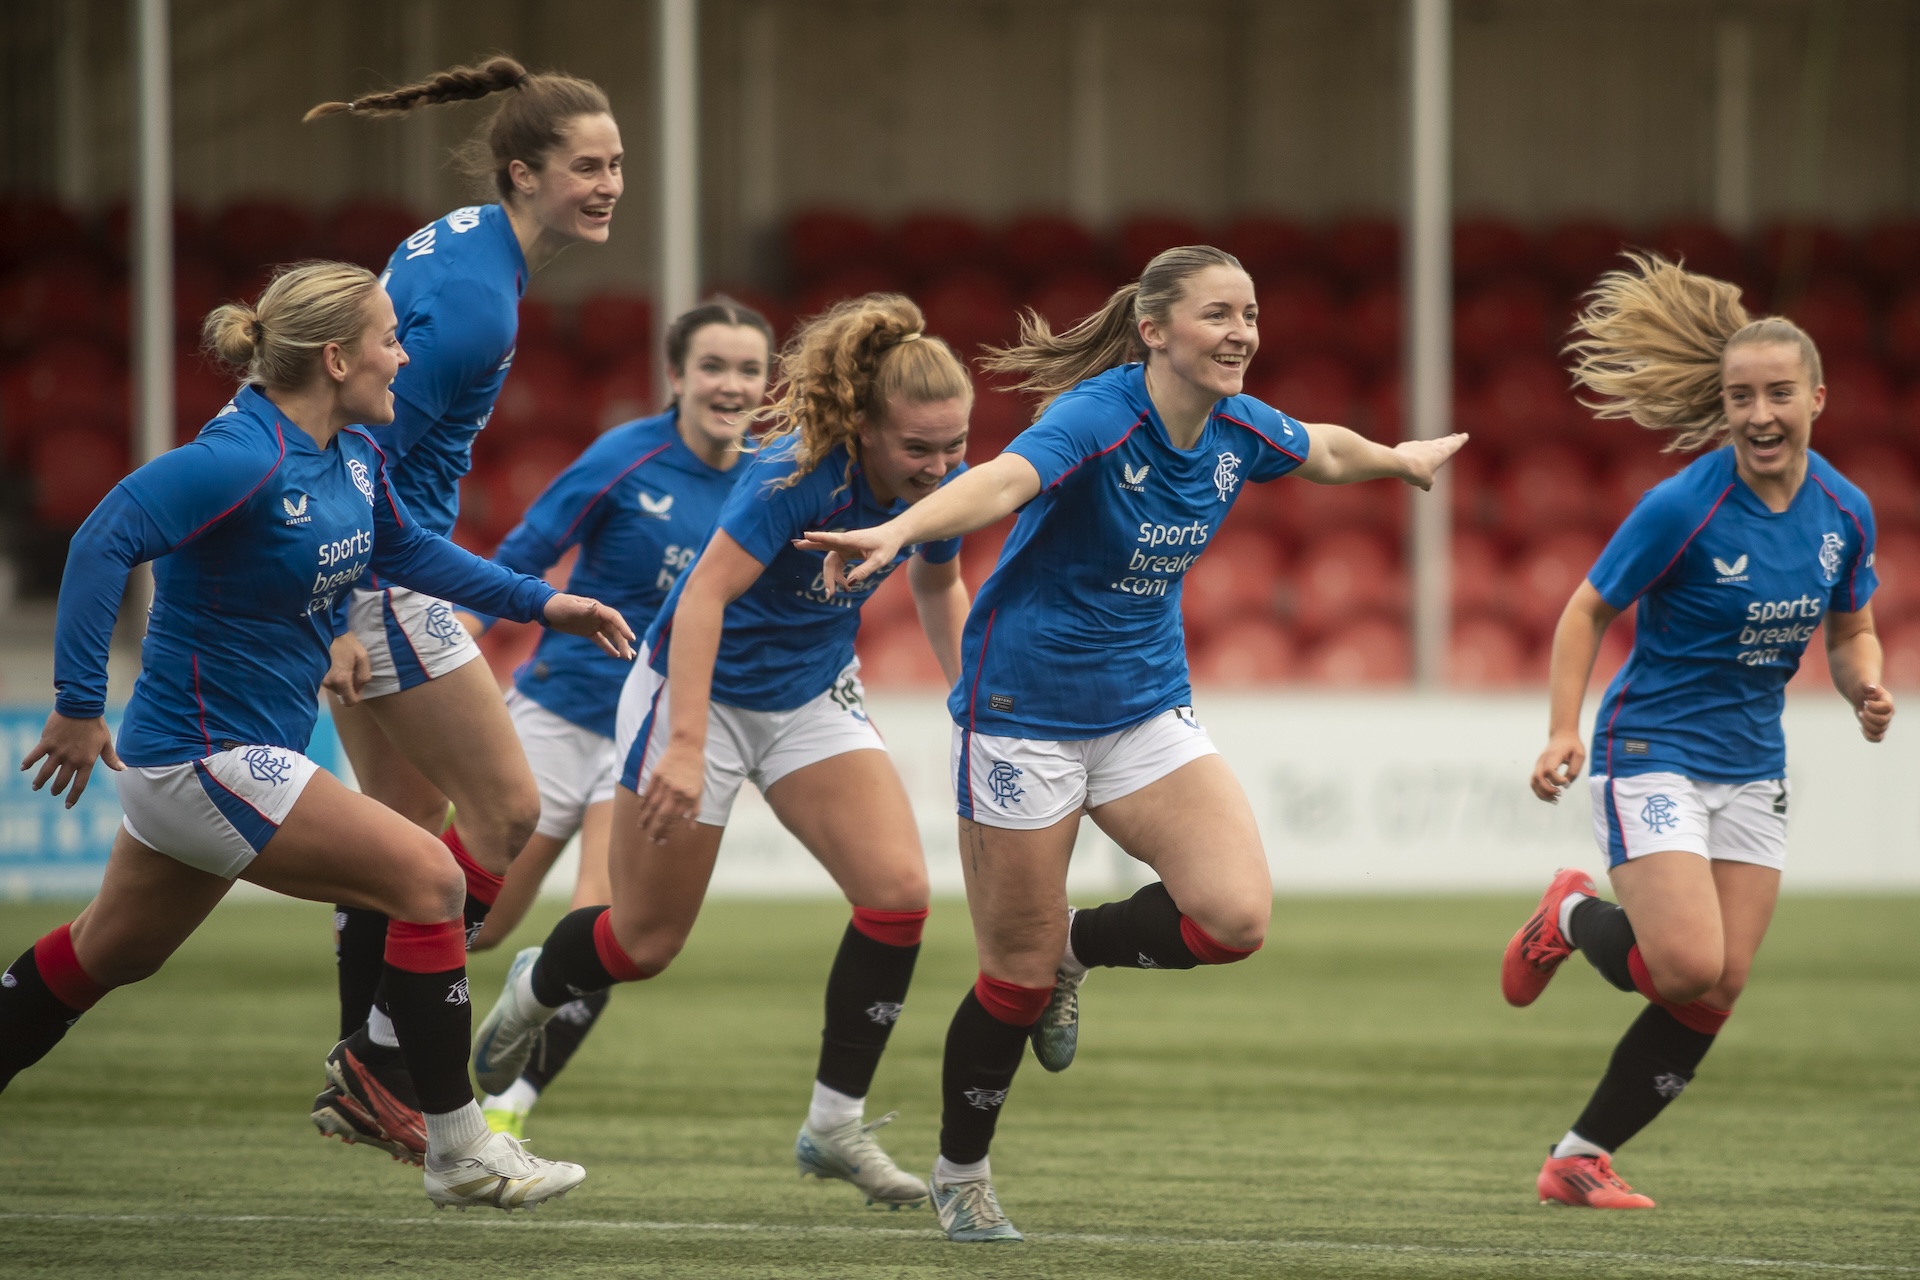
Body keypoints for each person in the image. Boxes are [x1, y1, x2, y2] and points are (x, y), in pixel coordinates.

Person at [800, 246, 1466, 1241]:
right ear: (1155, 330)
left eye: (1249, 312)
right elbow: (1002, 481)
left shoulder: (1240, 423)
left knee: (1234, 915)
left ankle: (1081, 946)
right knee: (1009, 979)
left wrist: (1397, 458)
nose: (1241, 330)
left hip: (1145, 707)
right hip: (1022, 709)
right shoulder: (1100, 418)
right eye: (1217, 314)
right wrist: (898, 535)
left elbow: (1320, 446)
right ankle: (961, 1170)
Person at [0, 263, 636, 1210]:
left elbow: (411, 554)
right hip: (201, 760)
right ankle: (460, 1150)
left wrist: (547, 603)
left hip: (227, 764)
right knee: (431, 879)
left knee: (108, 955)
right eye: (388, 338)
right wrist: (79, 703)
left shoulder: (349, 455)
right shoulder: (240, 454)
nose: (403, 355)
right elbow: (103, 538)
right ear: (336, 358)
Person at [469, 295, 974, 1210]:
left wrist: (967, 693)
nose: (940, 469)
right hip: (696, 690)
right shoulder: (793, 477)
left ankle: (832, 1127)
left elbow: (940, 583)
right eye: (919, 452)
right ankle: (537, 983)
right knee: (644, 943)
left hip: (812, 691)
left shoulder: (946, 481)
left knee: (899, 896)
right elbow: (700, 601)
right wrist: (688, 746)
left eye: (954, 448)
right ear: (863, 427)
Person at [1502, 253, 1891, 1210]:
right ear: (1723, 406)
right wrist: (1563, 730)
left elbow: (1851, 629)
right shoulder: (1686, 504)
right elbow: (1586, 610)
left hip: (1754, 765)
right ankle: (1567, 917)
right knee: (1683, 964)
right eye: (1740, 397)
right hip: (1653, 750)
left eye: (1778, 395)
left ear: (1817, 399)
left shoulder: (1846, 511)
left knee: (1717, 991)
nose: (1759, 414)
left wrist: (1866, 687)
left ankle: (1577, 1158)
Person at [301, 57, 625, 1158]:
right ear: (524, 172)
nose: (611, 182)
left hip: (383, 568)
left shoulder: (464, 239)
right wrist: (341, 612)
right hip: (389, 575)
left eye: (618, 162)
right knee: (504, 820)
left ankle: (370, 1064)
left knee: (400, 846)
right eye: (588, 166)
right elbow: (354, 444)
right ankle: (384, 1054)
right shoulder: (478, 304)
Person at [461, 299, 775, 1138]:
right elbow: (523, 553)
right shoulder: (624, 456)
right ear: (676, 376)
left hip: (657, 739)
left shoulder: (775, 477)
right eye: (714, 366)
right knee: (478, 925)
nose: (732, 385)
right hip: (559, 714)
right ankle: (377, 1047)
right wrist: (458, 639)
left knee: (603, 924)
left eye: (749, 369)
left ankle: (506, 1110)